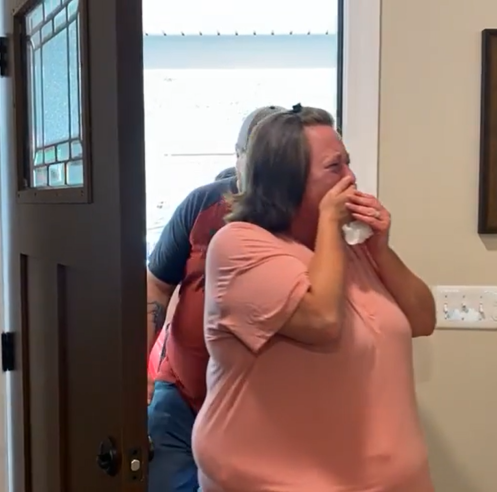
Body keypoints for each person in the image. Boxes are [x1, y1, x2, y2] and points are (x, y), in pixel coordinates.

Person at [192, 104, 437, 491]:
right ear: (286, 181)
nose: (351, 177)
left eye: (348, 163)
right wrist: (329, 222)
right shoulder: (238, 245)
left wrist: (381, 248)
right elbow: (321, 320)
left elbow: (424, 320)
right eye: (334, 166)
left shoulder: (348, 249)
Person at [145, 105, 285, 492]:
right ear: (238, 158)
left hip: (260, 417)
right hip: (180, 403)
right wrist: (134, 381)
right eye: (252, 156)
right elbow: (157, 285)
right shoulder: (201, 205)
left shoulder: (302, 220)